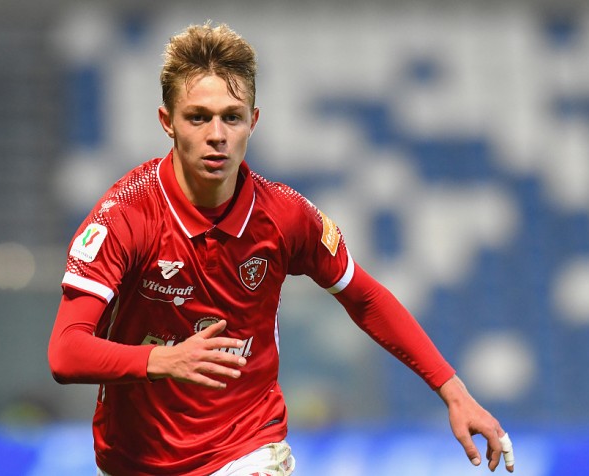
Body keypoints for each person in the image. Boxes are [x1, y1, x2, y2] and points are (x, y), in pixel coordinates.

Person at [48, 21, 515, 476]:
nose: (217, 134)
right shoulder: (126, 215)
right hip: (136, 459)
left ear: (253, 121)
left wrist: (452, 390)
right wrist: (163, 361)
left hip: (247, 446)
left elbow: (365, 297)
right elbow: (66, 353)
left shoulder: (284, 215)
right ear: (167, 122)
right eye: (198, 117)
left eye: (232, 117)